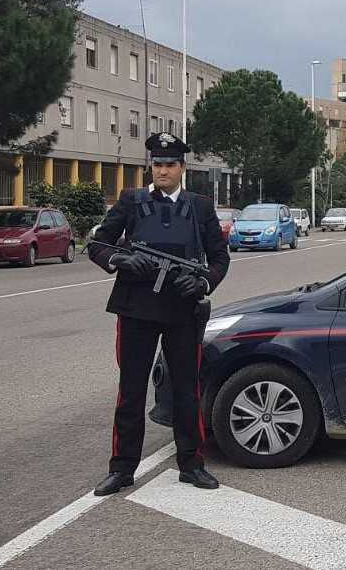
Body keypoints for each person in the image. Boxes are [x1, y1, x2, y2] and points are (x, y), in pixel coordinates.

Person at [88, 132, 230, 496]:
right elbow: (99, 244)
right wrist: (120, 258)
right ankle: (121, 469)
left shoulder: (199, 206)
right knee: (130, 392)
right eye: (157, 164)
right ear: (151, 166)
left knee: (186, 389)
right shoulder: (131, 202)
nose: (163, 170)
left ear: (182, 168)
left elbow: (219, 257)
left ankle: (192, 464)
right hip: (136, 308)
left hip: (183, 310)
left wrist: (203, 284)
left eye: (170, 165)